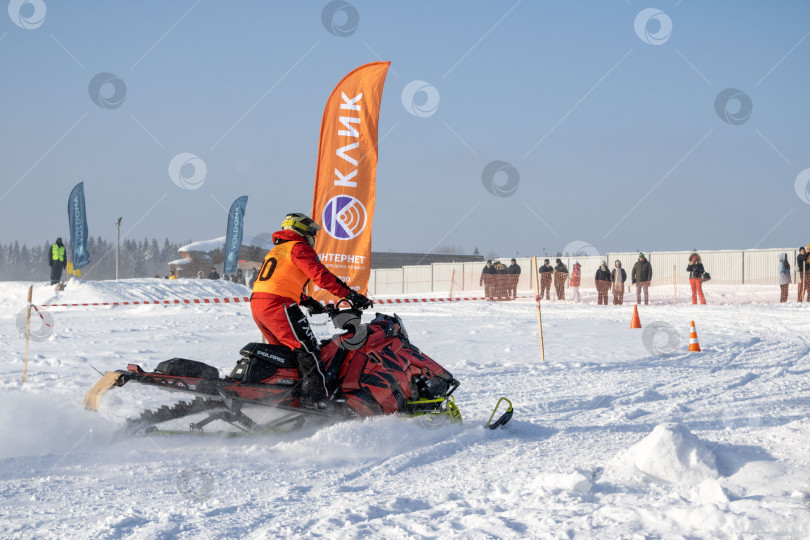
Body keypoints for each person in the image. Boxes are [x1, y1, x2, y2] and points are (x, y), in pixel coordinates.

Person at [251, 212, 372, 409]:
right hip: (277, 304)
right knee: (307, 349)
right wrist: (349, 294)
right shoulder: (298, 248)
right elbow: (320, 276)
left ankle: (280, 397)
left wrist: (307, 301)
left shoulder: (277, 250)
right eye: (311, 233)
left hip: (259, 304)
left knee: (283, 356)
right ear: (302, 231)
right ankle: (316, 402)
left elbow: (280, 281)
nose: (313, 238)